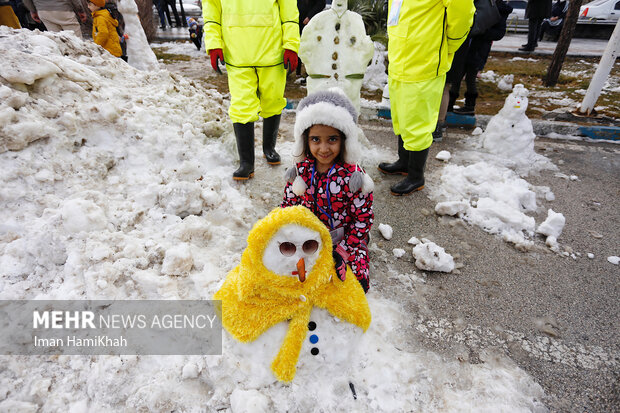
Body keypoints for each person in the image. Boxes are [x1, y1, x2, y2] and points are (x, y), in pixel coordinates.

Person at [378, 0, 475, 196]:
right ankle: (404, 162)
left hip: (425, 62)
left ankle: (416, 176)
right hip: (400, 61)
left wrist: (448, 45)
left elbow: (462, 15)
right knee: (402, 116)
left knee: (418, 121)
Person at [282, 90, 374, 293]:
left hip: (345, 239)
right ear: (305, 140)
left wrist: (348, 246)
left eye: (332, 139)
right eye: (316, 140)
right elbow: (288, 207)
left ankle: (357, 250)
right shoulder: (300, 172)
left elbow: (363, 218)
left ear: (344, 141)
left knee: (350, 285)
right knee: (291, 277)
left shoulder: (354, 177)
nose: (323, 148)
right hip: (310, 239)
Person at [203, 0, 300, 180]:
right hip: (236, 51)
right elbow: (211, 9)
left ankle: (269, 149)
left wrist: (291, 44)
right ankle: (246, 163)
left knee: (273, 100)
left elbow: (289, 10)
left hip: (272, 50)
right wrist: (213, 42)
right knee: (241, 105)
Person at [450, 0, 513, 115]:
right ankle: (449, 105)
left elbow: (499, 33)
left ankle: (469, 106)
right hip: (464, 45)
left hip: (479, 49)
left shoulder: (499, 8)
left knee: (470, 78)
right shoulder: (478, 2)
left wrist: (481, 30)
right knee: (456, 76)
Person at [22, 0, 87, 38]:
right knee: (75, 39)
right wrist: (80, 10)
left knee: (57, 38)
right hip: (63, 9)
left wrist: (33, 11)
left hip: (43, 11)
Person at [296, 0, 326, 76]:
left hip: (313, 22)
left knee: (311, 47)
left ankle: (309, 72)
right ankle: (297, 71)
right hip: (298, 19)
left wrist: (310, 16)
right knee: (298, 44)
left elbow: (321, 4)